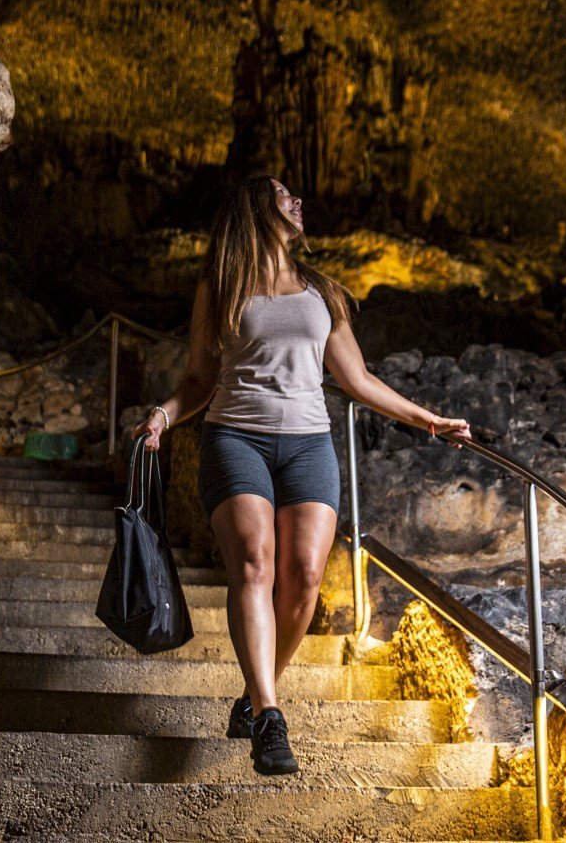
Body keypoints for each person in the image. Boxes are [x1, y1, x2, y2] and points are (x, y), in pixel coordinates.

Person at [132, 175, 472, 776]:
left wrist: (428, 420)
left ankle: (253, 693)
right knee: (256, 565)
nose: (297, 201)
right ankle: (269, 713)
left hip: (310, 443)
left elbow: (356, 381)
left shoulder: (321, 290)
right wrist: (163, 415)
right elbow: (198, 379)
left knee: (307, 577)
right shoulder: (222, 287)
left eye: (295, 195)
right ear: (254, 211)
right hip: (236, 438)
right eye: (282, 194)